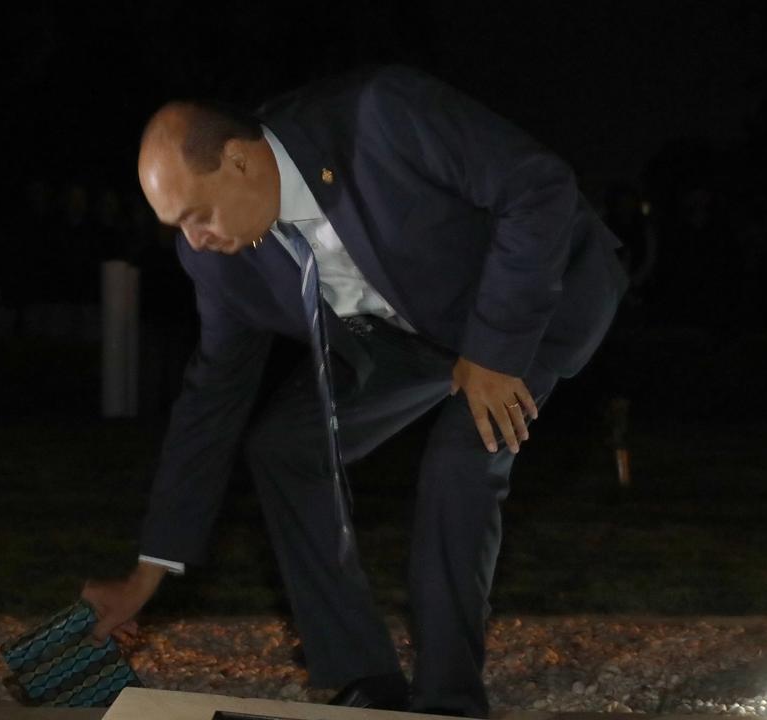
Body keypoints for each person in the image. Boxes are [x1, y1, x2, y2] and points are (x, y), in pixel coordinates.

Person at [82, 65, 628, 718]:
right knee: (285, 446)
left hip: (529, 298)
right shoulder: (217, 260)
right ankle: (367, 681)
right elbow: (211, 401)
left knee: (461, 459)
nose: (195, 242)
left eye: (196, 216)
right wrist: (149, 573)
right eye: (177, 227)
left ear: (239, 162)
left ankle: (448, 701)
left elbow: (538, 187)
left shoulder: (380, 118)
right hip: (410, 335)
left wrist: (492, 351)